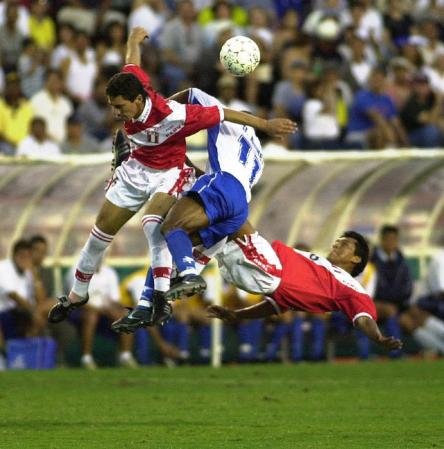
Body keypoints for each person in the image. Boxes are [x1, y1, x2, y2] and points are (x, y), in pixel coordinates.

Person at [48, 26, 296, 328]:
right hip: (135, 169)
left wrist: (265, 125)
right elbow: (132, 62)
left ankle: (159, 298)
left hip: (169, 173)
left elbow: (223, 113)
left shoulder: (175, 116)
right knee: (99, 236)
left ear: (137, 100)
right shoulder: (133, 84)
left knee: (155, 226)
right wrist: (133, 40)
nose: (115, 113)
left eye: (120, 107)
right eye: (113, 106)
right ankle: (77, 294)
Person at [112, 86, 296, 332]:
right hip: (236, 209)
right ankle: (150, 304)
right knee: (168, 245)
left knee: (169, 227)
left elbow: (192, 93)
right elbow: (210, 185)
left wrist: (155, 117)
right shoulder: (257, 155)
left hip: (222, 186)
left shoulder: (226, 120)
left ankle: (188, 274)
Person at [204, 221, 402, 352]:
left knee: (233, 212)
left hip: (271, 271)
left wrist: (378, 338)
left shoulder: (351, 288)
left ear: (356, 258)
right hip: (251, 274)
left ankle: (197, 177)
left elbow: (364, 318)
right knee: (213, 229)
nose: (335, 245)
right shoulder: (321, 269)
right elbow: (275, 305)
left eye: (344, 244)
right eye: (337, 241)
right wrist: (237, 315)